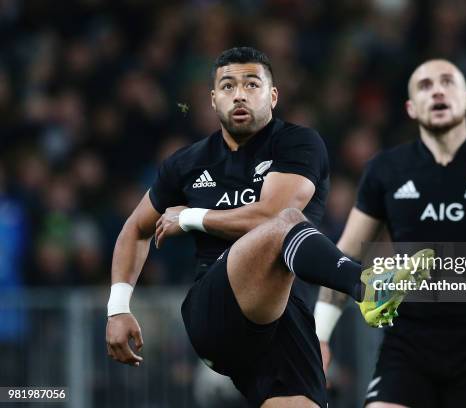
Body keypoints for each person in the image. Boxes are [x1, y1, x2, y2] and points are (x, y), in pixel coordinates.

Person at [105, 47, 421, 408]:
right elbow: (135, 229)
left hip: (285, 317)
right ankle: (367, 286)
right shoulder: (187, 162)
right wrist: (118, 307)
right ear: (212, 100)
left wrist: (192, 216)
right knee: (285, 223)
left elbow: (270, 212)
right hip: (215, 310)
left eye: (251, 84)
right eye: (227, 86)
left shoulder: (298, 144)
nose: (239, 93)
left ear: (273, 95)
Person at [314, 59, 466, 408]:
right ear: (411, 108)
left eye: (447, 82)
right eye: (425, 86)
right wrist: (319, 336)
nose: (437, 90)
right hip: (406, 345)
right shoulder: (386, 170)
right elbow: (345, 255)